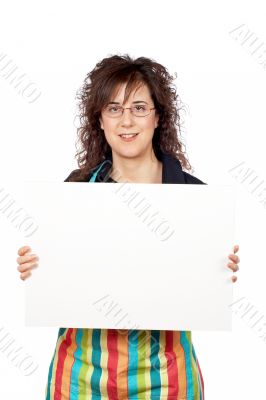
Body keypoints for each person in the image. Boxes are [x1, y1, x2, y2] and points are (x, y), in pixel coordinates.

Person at [16, 54, 240, 399]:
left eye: (139, 108)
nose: (127, 121)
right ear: (100, 120)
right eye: (114, 109)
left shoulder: (195, 199)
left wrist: (219, 270)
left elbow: (203, 287)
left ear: (157, 118)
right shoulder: (72, 193)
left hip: (167, 375)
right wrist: (36, 266)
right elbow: (58, 277)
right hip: (80, 373)